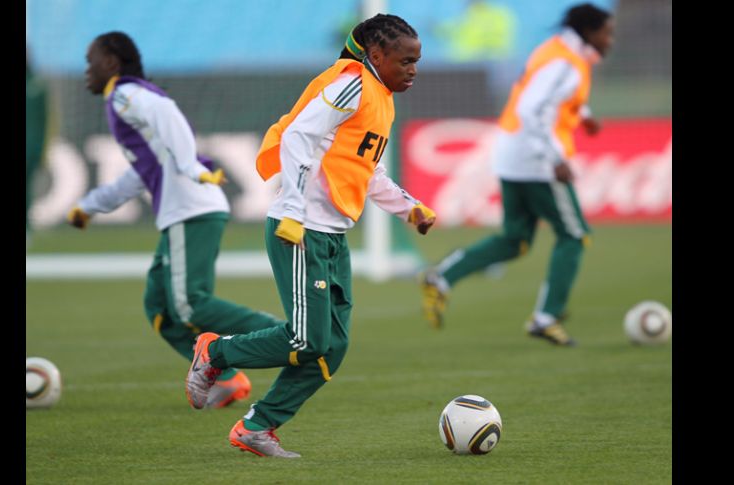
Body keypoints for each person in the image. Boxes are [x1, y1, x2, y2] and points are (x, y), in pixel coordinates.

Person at [184, 14, 436, 458]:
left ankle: (257, 427)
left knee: (330, 350)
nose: (413, 69)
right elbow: (298, 136)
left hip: (332, 235)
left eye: (417, 60)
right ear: (376, 56)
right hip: (300, 230)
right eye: (405, 60)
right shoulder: (352, 83)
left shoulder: (381, 98)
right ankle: (214, 352)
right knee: (308, 340)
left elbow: (365, 169)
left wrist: (407, 207)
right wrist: (294, 210)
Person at [68, 31, 286, 408]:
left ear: (111, 63)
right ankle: (227, 379)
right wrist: (91, 204)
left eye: (91, 62)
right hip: (183, 211)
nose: (86, 71)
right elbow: (138, 172)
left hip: (192, 207)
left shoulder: (126, 94)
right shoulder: (124, 103)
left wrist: (191, 165)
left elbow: (166, 113)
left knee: (189, 305)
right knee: (160, 308)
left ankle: (284, 334)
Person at [421, 3, 615, 346]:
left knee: (515, 239)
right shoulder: (565, 63)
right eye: (606, 32)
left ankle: (443, 277)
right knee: (574, 234)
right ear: (588, 32)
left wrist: (581, 112)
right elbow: (531, 108)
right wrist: (554, 156)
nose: (610, 39)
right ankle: (546, 317)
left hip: (511, 153)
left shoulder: (555, 50)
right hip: (536, 161)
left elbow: (543, 95)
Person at [26, 50, 48, 248]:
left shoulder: (37, 86)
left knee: (27, 191)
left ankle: (27, 228)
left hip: (31, 149)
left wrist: (42, 150)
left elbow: (47, 121)